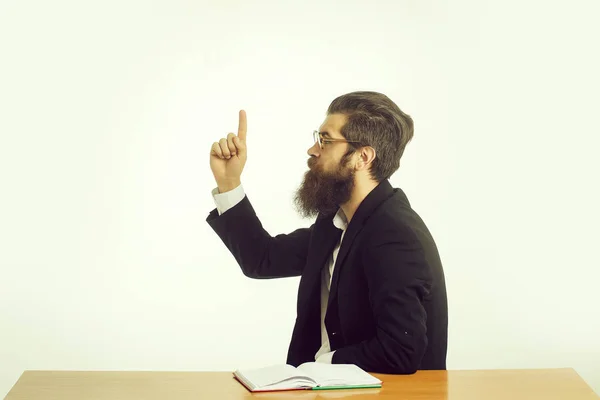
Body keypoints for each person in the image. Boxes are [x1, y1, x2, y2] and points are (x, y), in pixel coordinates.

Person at [206, 91, 448, 374]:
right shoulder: (335, 222)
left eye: (326, 140)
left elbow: (400, 352)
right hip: (328, 388)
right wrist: (229, 181)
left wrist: (319, 365)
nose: (313, 150)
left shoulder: (393, 234)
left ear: (363, 156)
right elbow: (262, 259)